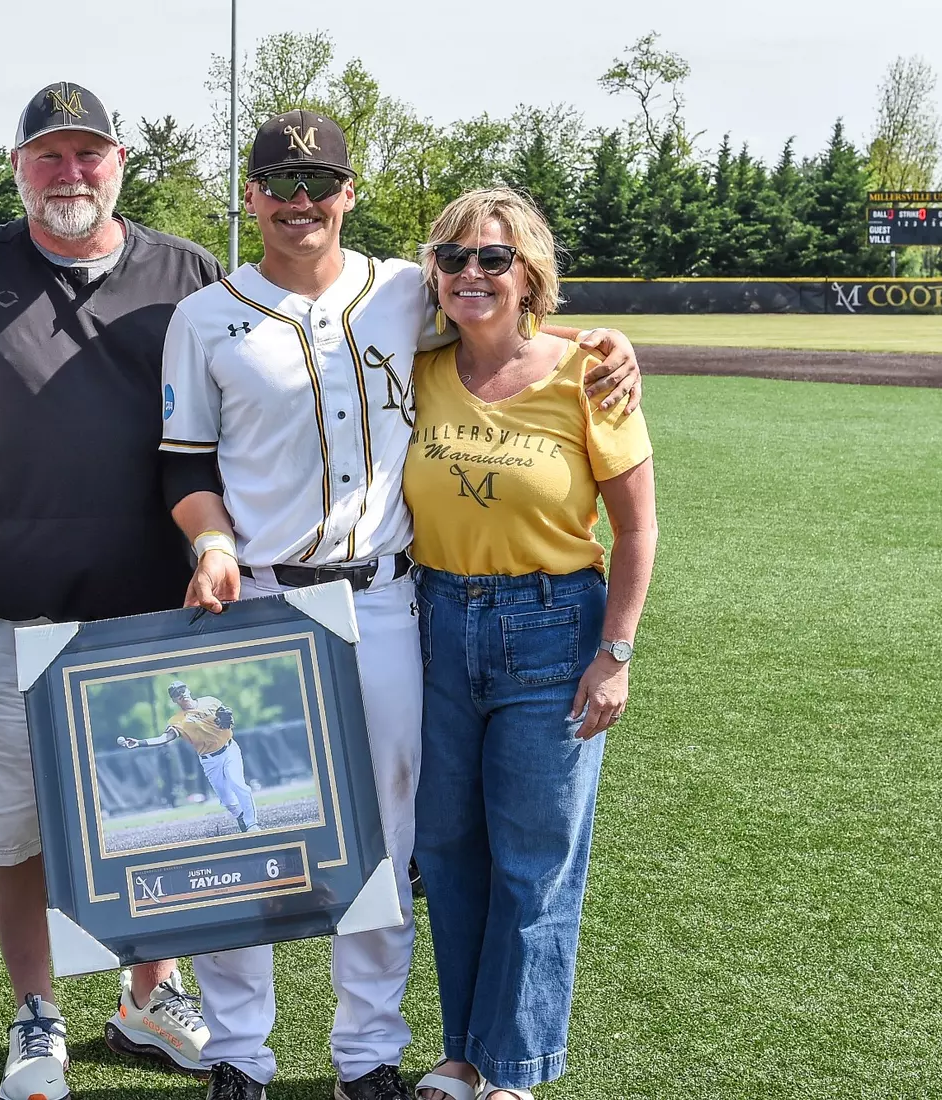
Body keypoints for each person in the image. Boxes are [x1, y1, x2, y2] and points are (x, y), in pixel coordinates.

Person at [159, 111, 643, 1100]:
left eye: (319, 180)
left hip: (382, 603)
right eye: (279, 181)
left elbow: (501, 321)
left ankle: (365, 1051)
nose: (300, 199)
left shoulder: (399, 293)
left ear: (347, 193)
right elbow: (180, 462)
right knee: (237, 833)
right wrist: (208, 538)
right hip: (255, 596)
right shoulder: (204, 316)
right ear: (249, 195)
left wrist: (603, 338)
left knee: (386, 834)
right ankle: (238, 1050)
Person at [0, 82, 222, 1099]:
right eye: (48, 155)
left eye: (87, 154)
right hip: (10, 605)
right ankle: (36, 1009)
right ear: (17, 168)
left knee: (158, 816)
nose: (69, 173)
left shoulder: (187, 272)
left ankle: (148, 989)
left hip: (150, 606)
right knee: (15, 828)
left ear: (120, 162)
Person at [404, 189, 658, 1100]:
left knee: (533, 858)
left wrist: (615, 654)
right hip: (434, 623)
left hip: (552, 629)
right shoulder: (420, 361)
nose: (472, 272)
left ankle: (512, 1067)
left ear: (530, 275)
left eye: (495, 259)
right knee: (448, 847)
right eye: (454, 256)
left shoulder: (589, 375)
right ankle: (463, 1053)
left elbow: (636, 531)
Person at [118, 682, 258, 832]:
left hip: (229, 749)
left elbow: (228, 720)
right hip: (209, 760)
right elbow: (164, 738)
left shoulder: (210, 701)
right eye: (176, 694)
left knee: (238, 784)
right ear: (174, 701)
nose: (181, 694)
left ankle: (252, 824)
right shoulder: (178, 720)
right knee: (228, 801)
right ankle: (240, 815)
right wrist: (139, 743)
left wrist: (229, 722)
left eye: (182, 690)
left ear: (188, 689)